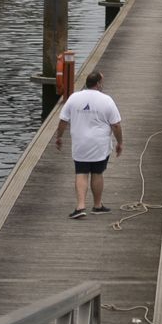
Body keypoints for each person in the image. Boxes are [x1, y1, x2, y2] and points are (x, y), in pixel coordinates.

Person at [55, 70, 123, 219]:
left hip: (80, 144)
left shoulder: (74, 98)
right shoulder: (106, 100)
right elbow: (116, 125)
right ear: (98, 84)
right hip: (100, 145)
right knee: (97, 173)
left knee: (81, 173)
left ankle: (80, 207)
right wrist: (120, 142)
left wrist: (59, 137)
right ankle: (97, 206)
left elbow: (63, 121)